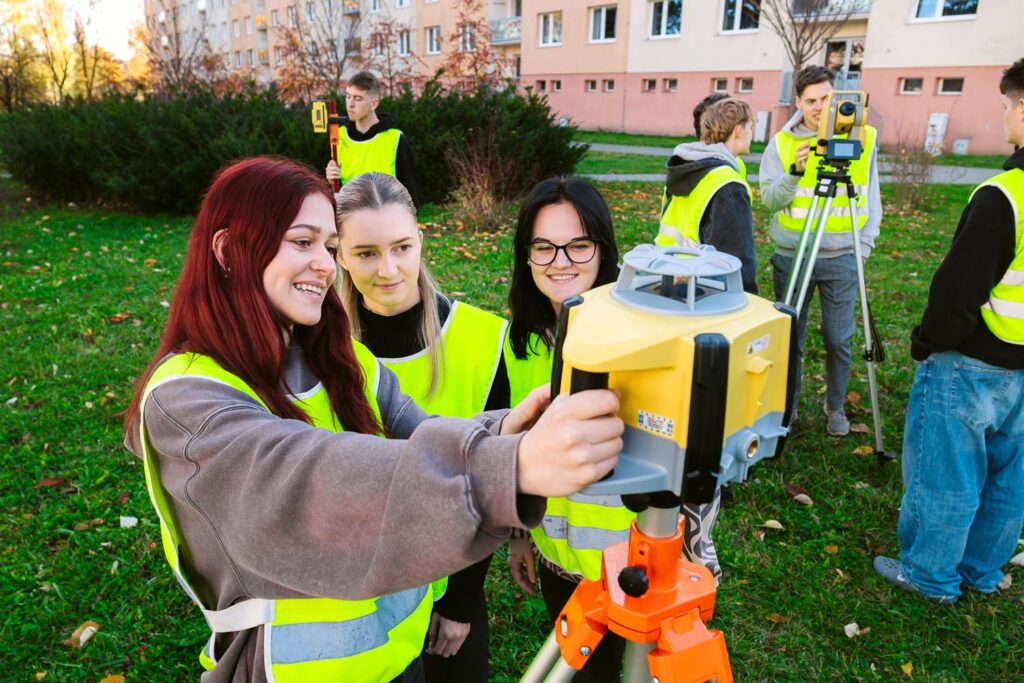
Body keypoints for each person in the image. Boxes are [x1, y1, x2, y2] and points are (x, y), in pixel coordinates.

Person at [122, 156, 624, 682]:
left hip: (397, 656)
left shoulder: (338, 358)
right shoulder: (186, 401)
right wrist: (513, 465)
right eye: (302, 242)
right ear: (227, 251)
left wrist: (507, 430)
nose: (324, 263)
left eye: (328, 246)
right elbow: (319, 478)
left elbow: (420, 430)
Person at [504, 177, 723, 682]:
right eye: (543, 247)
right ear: (527, 256)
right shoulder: (522, 342)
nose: (561, 261)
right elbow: (517, 452)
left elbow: (694, 461)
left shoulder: (651, 336)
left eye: (579, 245)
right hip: (565, 570)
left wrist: (691, 561)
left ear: (603, 248)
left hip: (646, 576)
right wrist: (521, 536)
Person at [335, 172, 508, 681]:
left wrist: (461, 602)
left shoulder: (481, 340)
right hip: (359, 591)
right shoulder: (319, 350)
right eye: (365, 253)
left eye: (401, 247)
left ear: (421, 241)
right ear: (339, 254)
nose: (388, 269)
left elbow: (490, 492)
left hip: (450, 585)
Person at [873, 59, 1024, 606]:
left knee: (948, 476)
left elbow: (957, 288)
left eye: (1007, 106)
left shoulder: (1004, 194)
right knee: (1009, 479)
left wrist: (927, 342)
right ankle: (981, 571)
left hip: (972, 360)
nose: (1004, 117)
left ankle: (930, 575)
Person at [759, 65, 881, 435]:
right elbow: (768, 200)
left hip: (843, 258)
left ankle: (835, 407)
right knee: (790, 337)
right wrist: (794, 172)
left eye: (826, 98)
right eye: (810, 100)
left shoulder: (866, 138)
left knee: (838, 339)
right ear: (798, 101)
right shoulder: (781, 143)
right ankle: (788, 406)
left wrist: (863, 248)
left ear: (838, 96)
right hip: (792, 258)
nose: (818, 107)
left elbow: (872, 197)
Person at [657, 96, 759, 294]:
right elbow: (735, 258)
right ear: (738, 130)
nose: (751, 135)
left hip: (669, 275)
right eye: (750, 128)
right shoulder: (727, 184)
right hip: (705, 289)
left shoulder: (686, 169)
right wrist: (748, 297)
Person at [324, 71, 420, 209]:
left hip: (387, 222)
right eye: (348, 96)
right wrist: (330, 182)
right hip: (350, 223)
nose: (350, 104)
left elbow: (411, 196)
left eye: (357, 99)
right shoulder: (337, 137)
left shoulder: (395, 139)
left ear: (374, 103)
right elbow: (327, 194)